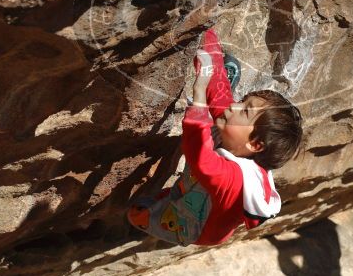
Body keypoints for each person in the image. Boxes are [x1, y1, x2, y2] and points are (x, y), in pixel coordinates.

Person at [128, 29, 303, 246]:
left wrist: (200, 92)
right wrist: (207, 37)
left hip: (193, 226)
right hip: (200, 186)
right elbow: (221, 98)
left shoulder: (235, 181)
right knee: (218, 113)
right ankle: (226, 79)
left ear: (255, 144)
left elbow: (198, 155)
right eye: (244, 101)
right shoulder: (236, 132)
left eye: (245, 110)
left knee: (139, 213)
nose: (235, 105)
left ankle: (151, 213)